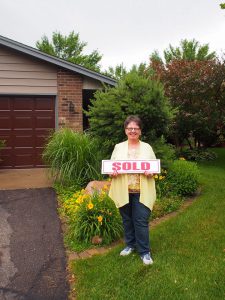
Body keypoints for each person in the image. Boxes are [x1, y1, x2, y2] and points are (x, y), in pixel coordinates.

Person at [109, 115, 156, 265]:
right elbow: (111, 166)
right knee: (127, 220)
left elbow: (154, 167)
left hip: (142, 190)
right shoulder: (119, 147)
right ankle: (130, 245)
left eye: (136, 128)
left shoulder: (147, 147)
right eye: (130, 128)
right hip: (123, 190)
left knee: (141, 219)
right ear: (125, 131)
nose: (133, 131)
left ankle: (144, 251)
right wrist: (112, 172)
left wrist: (151, 172)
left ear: (140, 131)